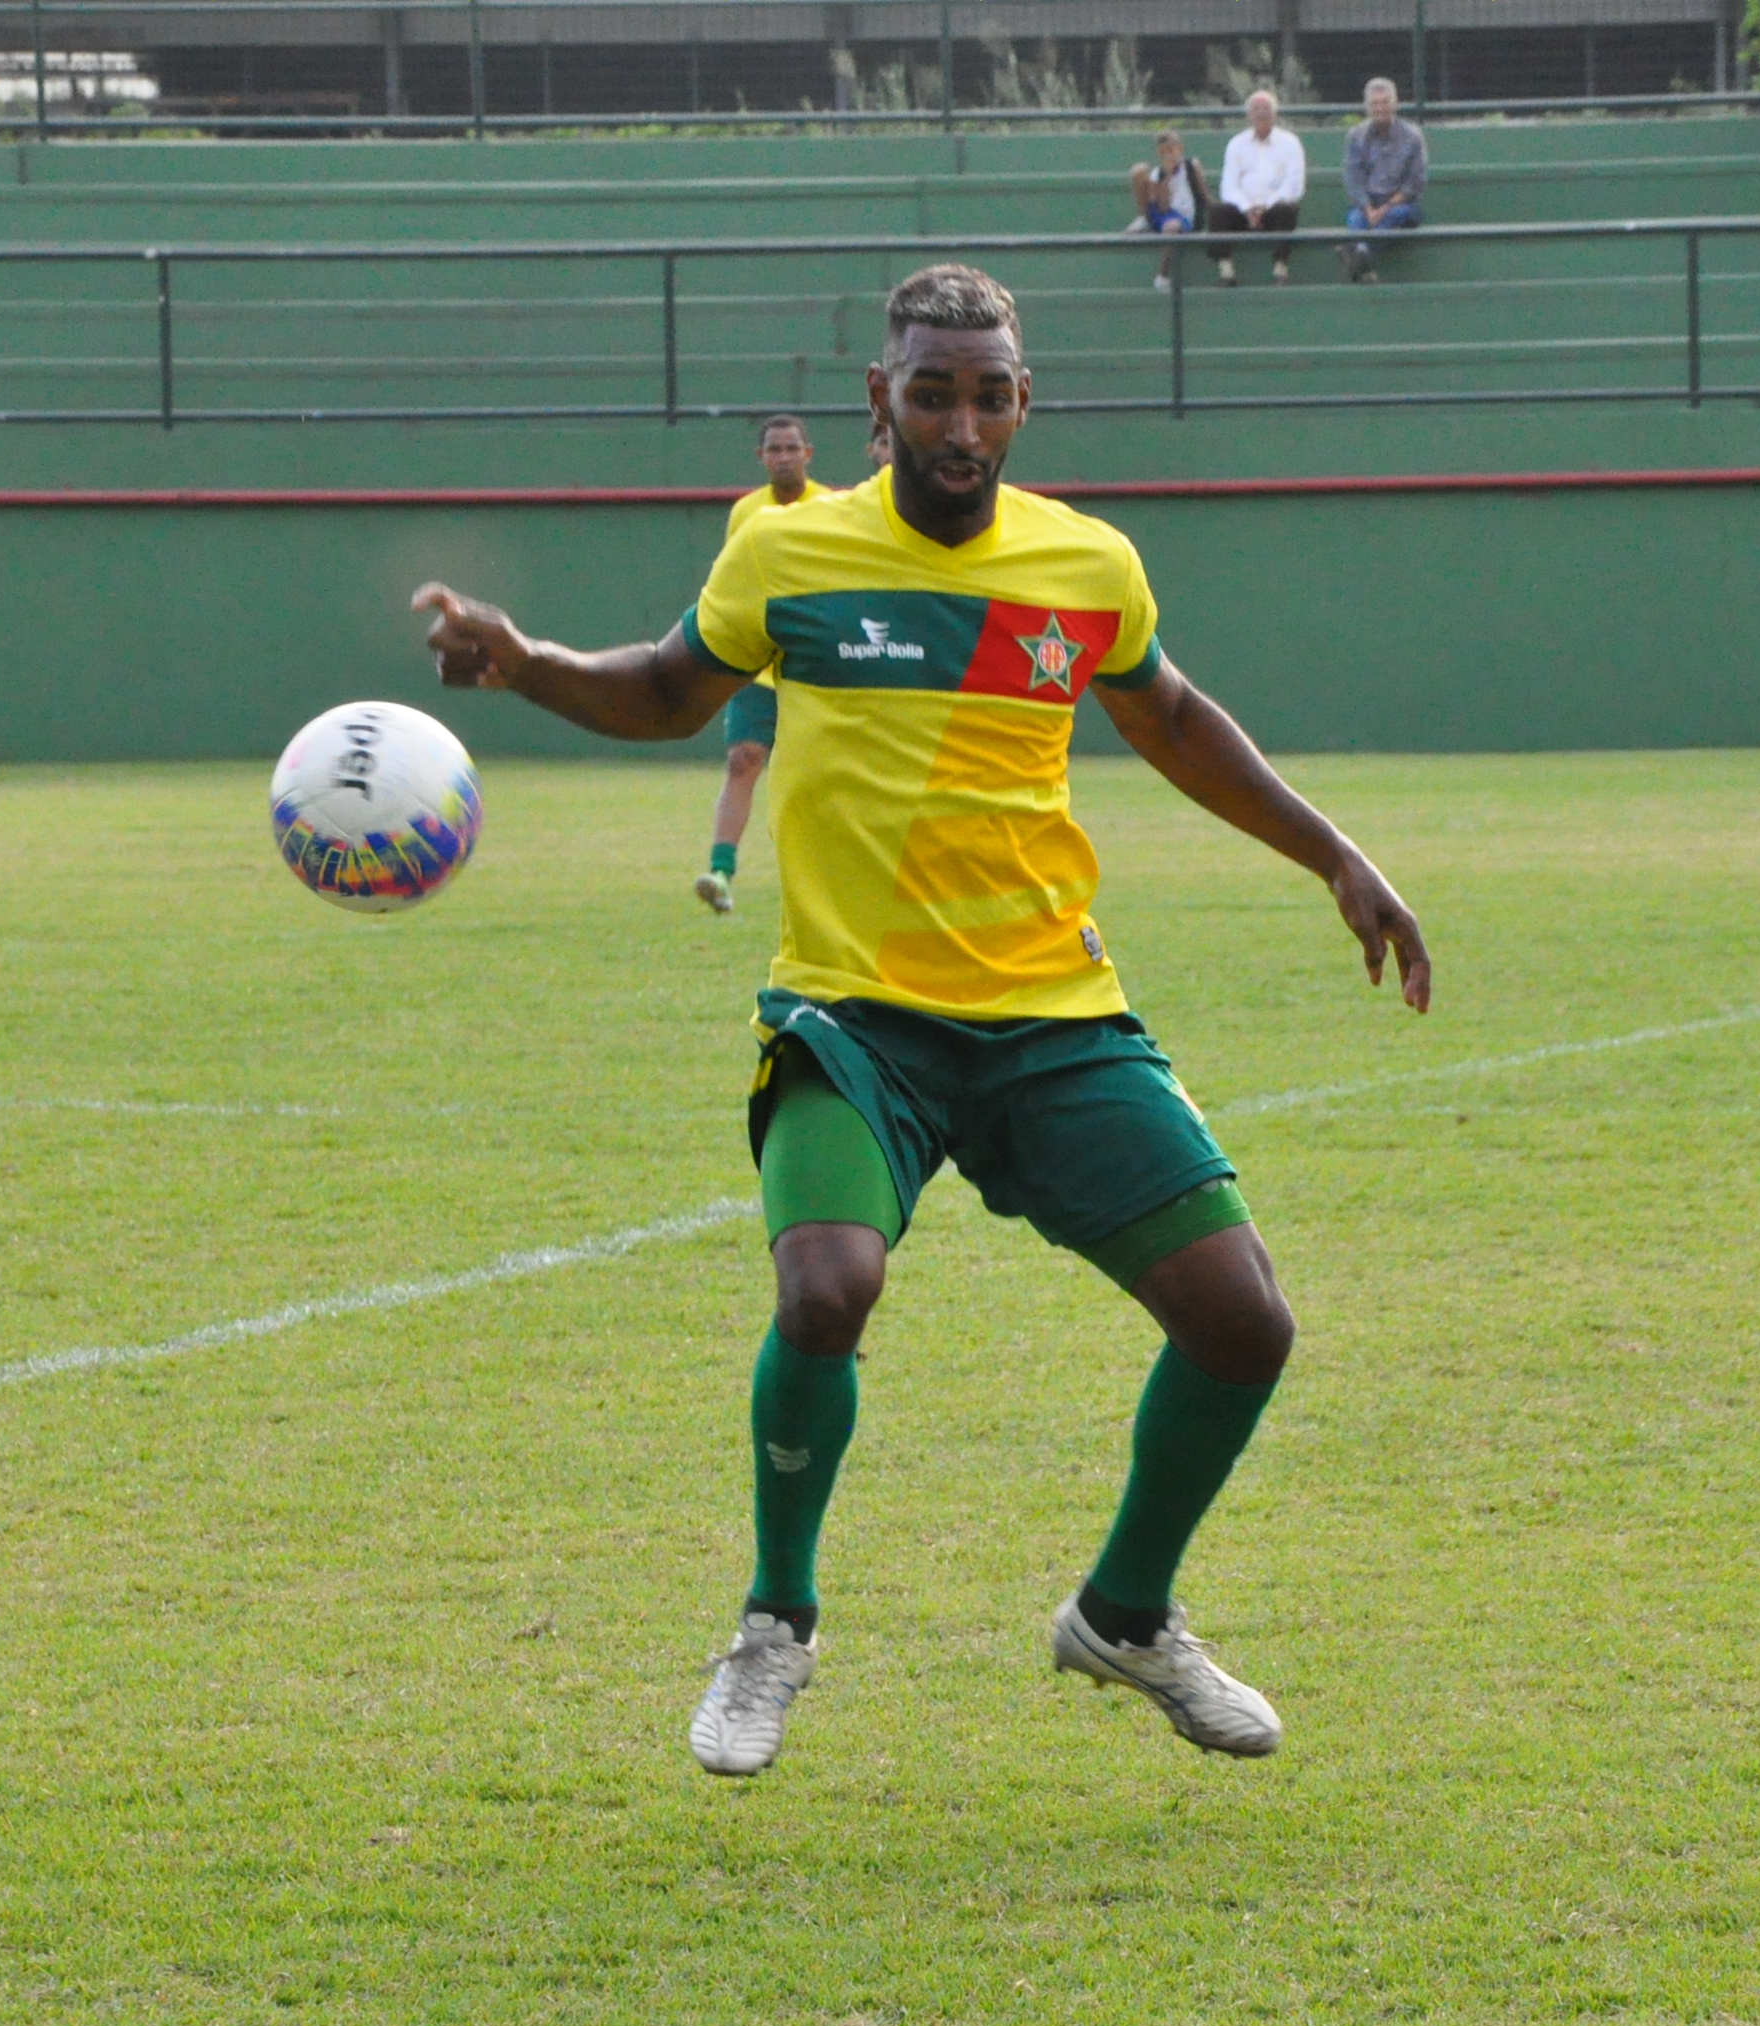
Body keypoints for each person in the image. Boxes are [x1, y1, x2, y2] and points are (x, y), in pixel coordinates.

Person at [409, 263, 1433, 1779]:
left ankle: (1127, 1617)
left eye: (989, 392)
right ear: (880, 402)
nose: (962, 420)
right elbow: (672, 690)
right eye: (932, 390)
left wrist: (1335, 853)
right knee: (825, 1290)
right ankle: (775, 1625)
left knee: (1245, 1322)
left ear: (1025, 405)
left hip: (1051, 1014)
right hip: (855, 1017)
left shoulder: (1088, 568)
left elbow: (1178, 724)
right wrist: (530, 664)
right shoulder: (791, 554)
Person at [694, 413, 833, 916]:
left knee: (819, 778)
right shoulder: (745, 513)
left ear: (808, 453)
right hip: (760, 664)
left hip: (815, 665)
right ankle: (721, 872)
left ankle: (831, 880)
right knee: (742, 761)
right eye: (774, 449)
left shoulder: (832, 509)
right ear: (761, 458)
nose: (783, 457)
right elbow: (737, 585)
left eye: (791, 448)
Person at [1210, 89, 1306, 287]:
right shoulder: (1236, 144)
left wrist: (1264, 207)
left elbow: (1294, 184)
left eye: (1266, 109)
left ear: (1275, 113)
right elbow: (1228, 186)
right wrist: (1247, 208)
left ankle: (1280, 269)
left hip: (1274, 212)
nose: (1261, 113)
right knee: (1217, 211)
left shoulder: (1290, 143)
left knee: (1287, 209)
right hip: (1242, 213)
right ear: (1248, 115)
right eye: (1256, 109)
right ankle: (1226, 271)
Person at [1339, 77, 1426, 285]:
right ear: (1367, 107)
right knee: (1355, 220)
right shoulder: (1355, 136)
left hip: (1401, 204)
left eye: (1385, 102)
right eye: (1375, 104)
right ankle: (1365, 266)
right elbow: (1354, 178)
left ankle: (1359, 253)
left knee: (1396, 215)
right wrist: (1369, 208)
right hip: (1367, 204)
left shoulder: (1412, 136)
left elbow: (1416, 182)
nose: (1380, 108)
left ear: (1395, 104)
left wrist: (1385, 207)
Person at [1127, 129, 1211, 292]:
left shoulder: (1191, 166)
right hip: (1163, 212)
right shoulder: (1158, 173)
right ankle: (1143, 218)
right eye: (1165, 151)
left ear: (1180, 148)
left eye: (1174, 149)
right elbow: (1163, 207)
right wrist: (1167, 176)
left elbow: (1204, 193)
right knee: (1138, 170)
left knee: (1171, 227)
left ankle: (1163, 276)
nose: (1171, 154)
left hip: (1183, 218)